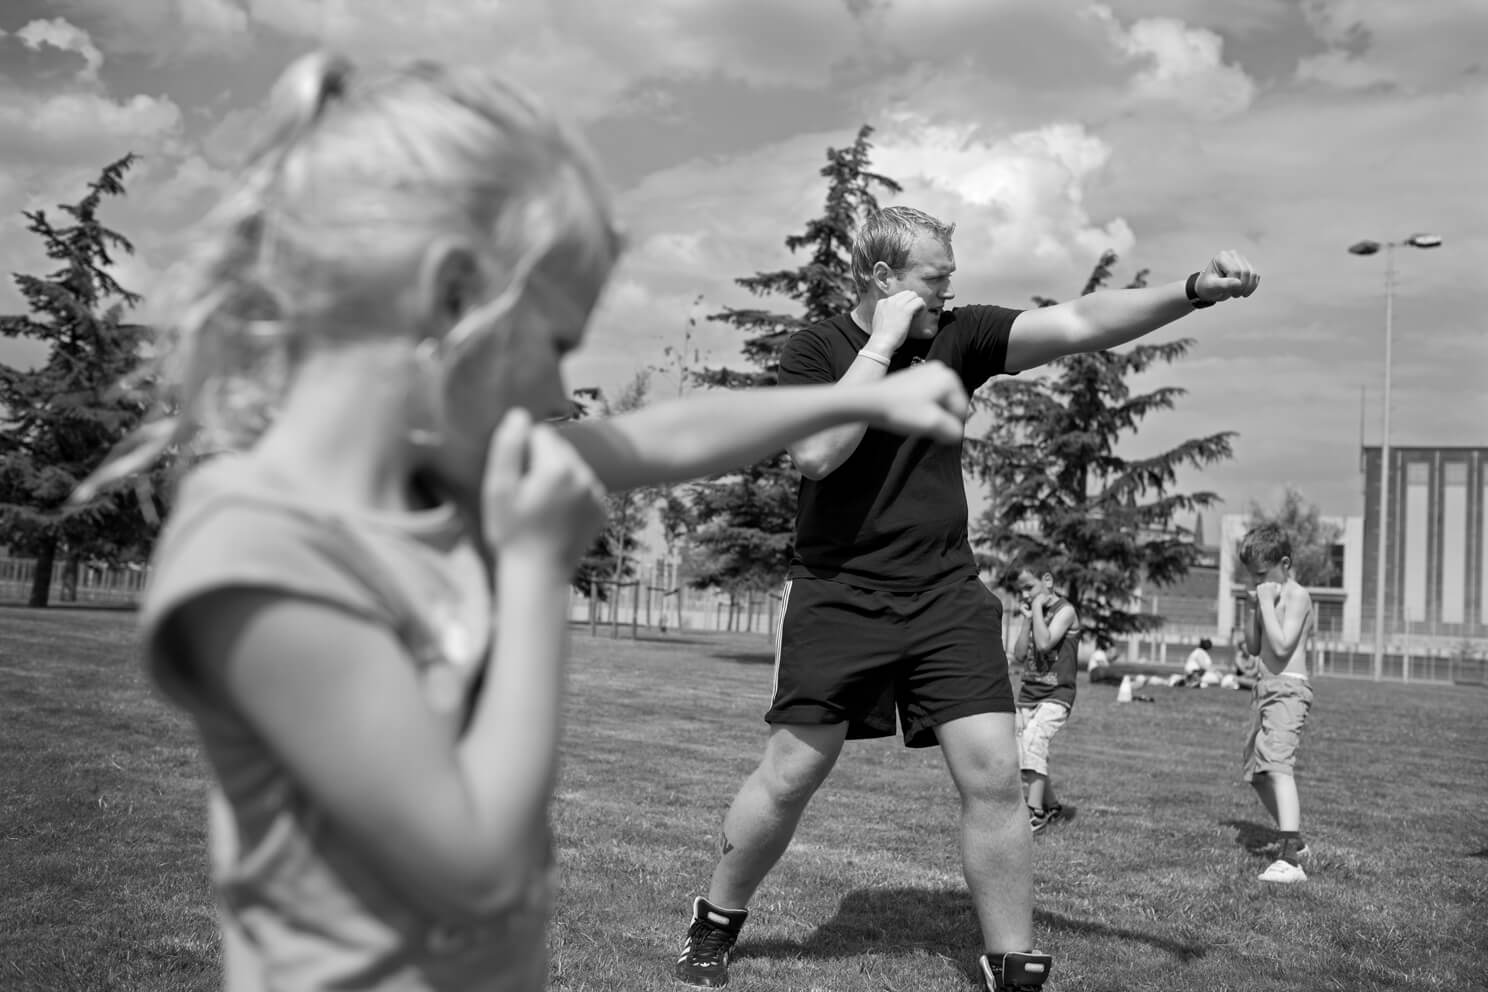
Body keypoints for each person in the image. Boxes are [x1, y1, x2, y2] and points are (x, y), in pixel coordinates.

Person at [75, 56, 975, 992]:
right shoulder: (257, 547)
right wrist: (537, 574)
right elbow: (466, 862)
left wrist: (878, 396)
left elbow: (666, 433)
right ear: (437, 300)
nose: (555, 390)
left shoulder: (462, 464)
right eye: (549, 344)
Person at [672, 205, 1260, 992]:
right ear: (882, 280)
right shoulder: (814, 349)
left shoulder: (959, 335)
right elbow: (816, 454)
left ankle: (1011, 964)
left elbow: (1079, 322)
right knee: (789, 775)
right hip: (840, 593)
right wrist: (882, 344)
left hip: (946, 593)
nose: (949, 296)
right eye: (934, 280)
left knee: (993, 772)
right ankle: (714, 924)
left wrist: (1193, 290)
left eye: (952, 280)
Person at [1237, 523, 1316, 884]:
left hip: (1288, 689)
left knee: (1278, 765)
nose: (1258, 583)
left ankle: (1290, 859)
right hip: (1264, 688)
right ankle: (1295, 840)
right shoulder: (1265, 597)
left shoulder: (1296, 596)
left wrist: (1267, 603)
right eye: (1253, 577)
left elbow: (1283, 646)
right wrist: (1251, 608)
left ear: (1284, 563)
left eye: (1262, 575)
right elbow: (1254, 646)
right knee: (1256, 773)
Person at [1011, 563, 1079, 834]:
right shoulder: (1034, 613)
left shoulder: (1066, 611)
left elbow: (1044, 643)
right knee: (1023, 752)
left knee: (1034, 741)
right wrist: (1027, 619)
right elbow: (1018, 655)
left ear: (1047, 580)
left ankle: (1034, 812)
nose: (1025, 595)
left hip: (1056, 695)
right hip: (1028, 695)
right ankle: (1052, 806)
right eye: (1022, 590)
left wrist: (1037, 611)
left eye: (1029, 587)